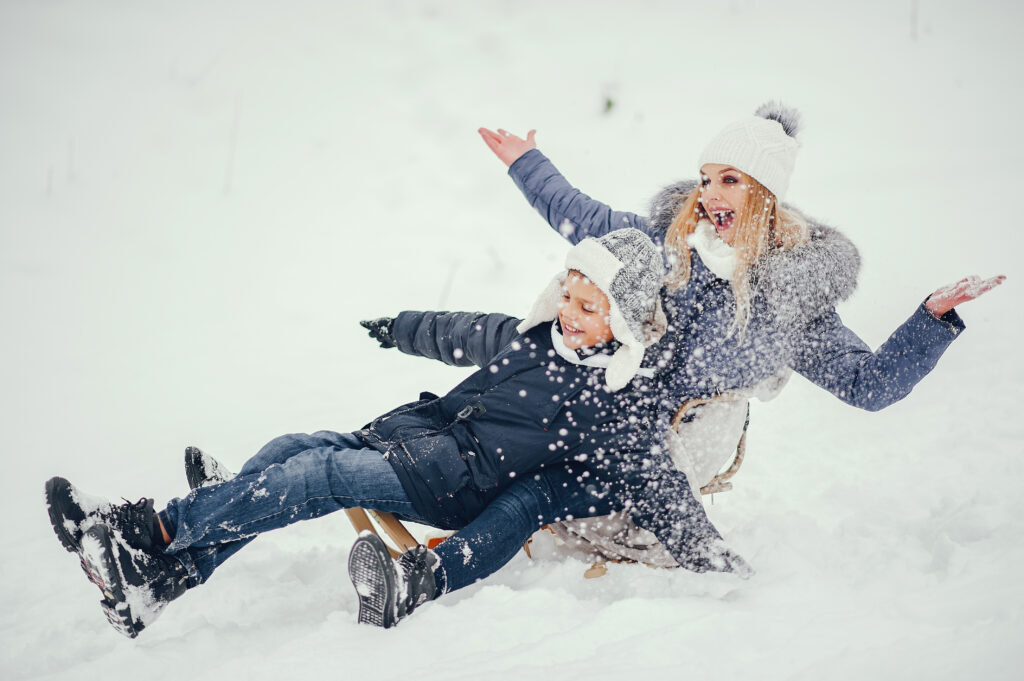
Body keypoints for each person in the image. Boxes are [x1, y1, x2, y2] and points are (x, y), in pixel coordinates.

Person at [341, 102, 1005, 611]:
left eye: (730, 180)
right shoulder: (671, 243)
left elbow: (870, 383)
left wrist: (931, 320)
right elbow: (583, 216)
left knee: (546, 480)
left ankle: (438, 558)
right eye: (706, 177)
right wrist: (526, 164)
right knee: (523, 403)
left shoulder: (790, 297)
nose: (710, 193)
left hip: (691, 437)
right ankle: (368, 480)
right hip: (621, 406)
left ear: (765, 193)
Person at [44, 229, 748, 639]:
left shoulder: (611, 404)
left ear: (620, 321)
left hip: (455, 484)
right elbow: (462, 332)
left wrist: (714, 556)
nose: (568, 310)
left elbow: (659, 482)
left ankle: (152, 533)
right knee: (295, 448)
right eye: (567, 291)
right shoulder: (535, 338)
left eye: (589, 305)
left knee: (321, 475)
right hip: (419, 437)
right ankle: (160, 582)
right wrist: (399, 327)